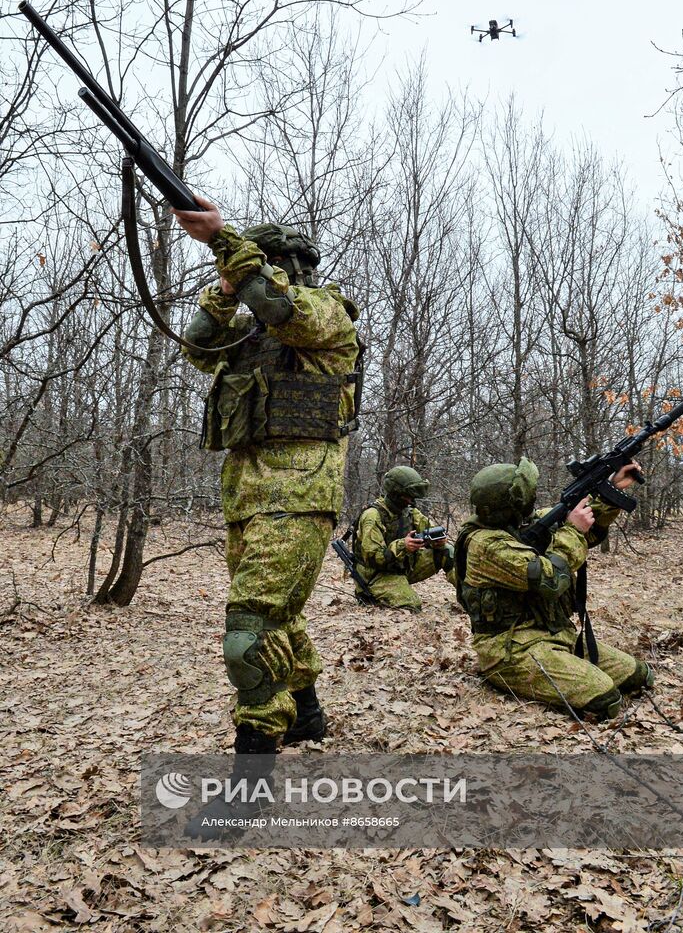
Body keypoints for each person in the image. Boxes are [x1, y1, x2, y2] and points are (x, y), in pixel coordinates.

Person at [174, 199, 363, 761]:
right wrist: (225, 292)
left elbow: (283, 309)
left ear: (289, 269)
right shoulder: (249, 336)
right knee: (280, 614)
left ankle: (251, 778)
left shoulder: (326, 316)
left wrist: (222, 243)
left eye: (266, 268)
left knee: (249, 632)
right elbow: (197, 346)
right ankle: (306, 715)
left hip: (300, 496)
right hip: (247, 497)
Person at [454, 457, 654, 720]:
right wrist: (573, 530)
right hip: (511, 650)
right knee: (605, 700)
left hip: (556, 635)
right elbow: (552, 579)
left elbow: (581, 524)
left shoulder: (521, 525)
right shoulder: (486, 545)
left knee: (640, 677)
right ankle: (503, 677)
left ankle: (563, 664)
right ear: (512, 504)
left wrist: (611, 489)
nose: (533, 498)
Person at [351, 466, 456, 611]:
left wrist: (438, 541)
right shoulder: (373, 516)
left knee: (447, 552)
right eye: (408, 496)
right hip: (377, 575)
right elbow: (372, 557)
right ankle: (372, 595)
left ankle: (471, 596)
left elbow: (430, 530)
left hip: (402, 567)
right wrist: (402, 546)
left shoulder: (409, 512)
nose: (411, 500)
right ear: (396, 494)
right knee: (411, 605)